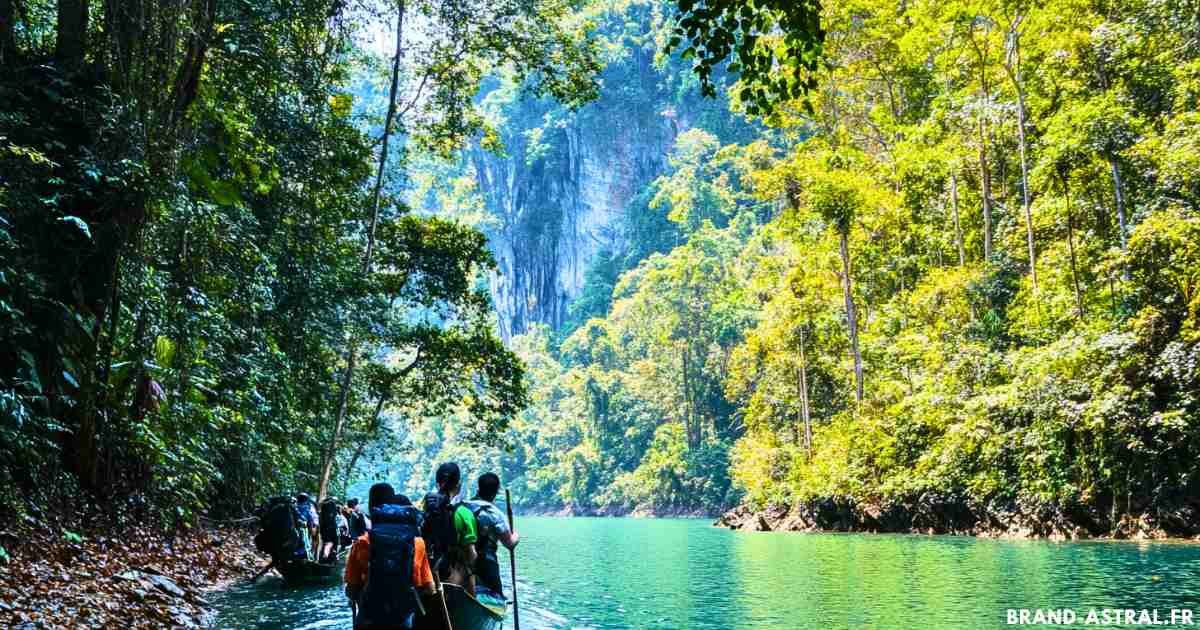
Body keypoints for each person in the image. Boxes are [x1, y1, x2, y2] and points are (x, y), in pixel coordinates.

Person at [345, 483, 436, 629]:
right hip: (402, 616)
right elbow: (430, 588)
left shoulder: (361, 542)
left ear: (370, 506)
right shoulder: (417, 543)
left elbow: (351, 589)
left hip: (370, 617)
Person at [463, 473, 519, 600]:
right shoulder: (495, 514)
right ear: (495, 493)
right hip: (486, 563)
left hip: (463, 560)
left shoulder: (464, 507)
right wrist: (516, 536)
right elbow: (509, 543)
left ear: (478, 489)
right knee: (496, 597)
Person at [421, 463, 477, 590]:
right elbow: (471, 553)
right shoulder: (464, 513)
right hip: (451, 578)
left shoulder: (425, 509)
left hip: (427, 577)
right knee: (470, 568)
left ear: (437, 483)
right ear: (458, 484)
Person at [296, 492, 319, 558]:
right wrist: (312, 526)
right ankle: (304, 551)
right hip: (302, 526)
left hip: (298, 524)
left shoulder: (295, 506)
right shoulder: (308, 507)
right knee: (304, 537)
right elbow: (311, 518)